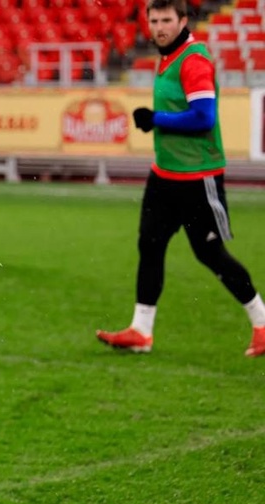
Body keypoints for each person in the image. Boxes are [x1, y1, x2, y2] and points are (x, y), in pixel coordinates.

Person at [97, 0, 265, 357]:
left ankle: (262, 323)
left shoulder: (193, 61)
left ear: (183, 21)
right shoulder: (168, 55)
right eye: (154, 20)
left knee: (210, 254)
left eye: (166, 20)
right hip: (164, 174)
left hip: (197, 177)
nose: (159, 27)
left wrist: (157, 119)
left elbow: (203, 117)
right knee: (150, 245)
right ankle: (141, 331)